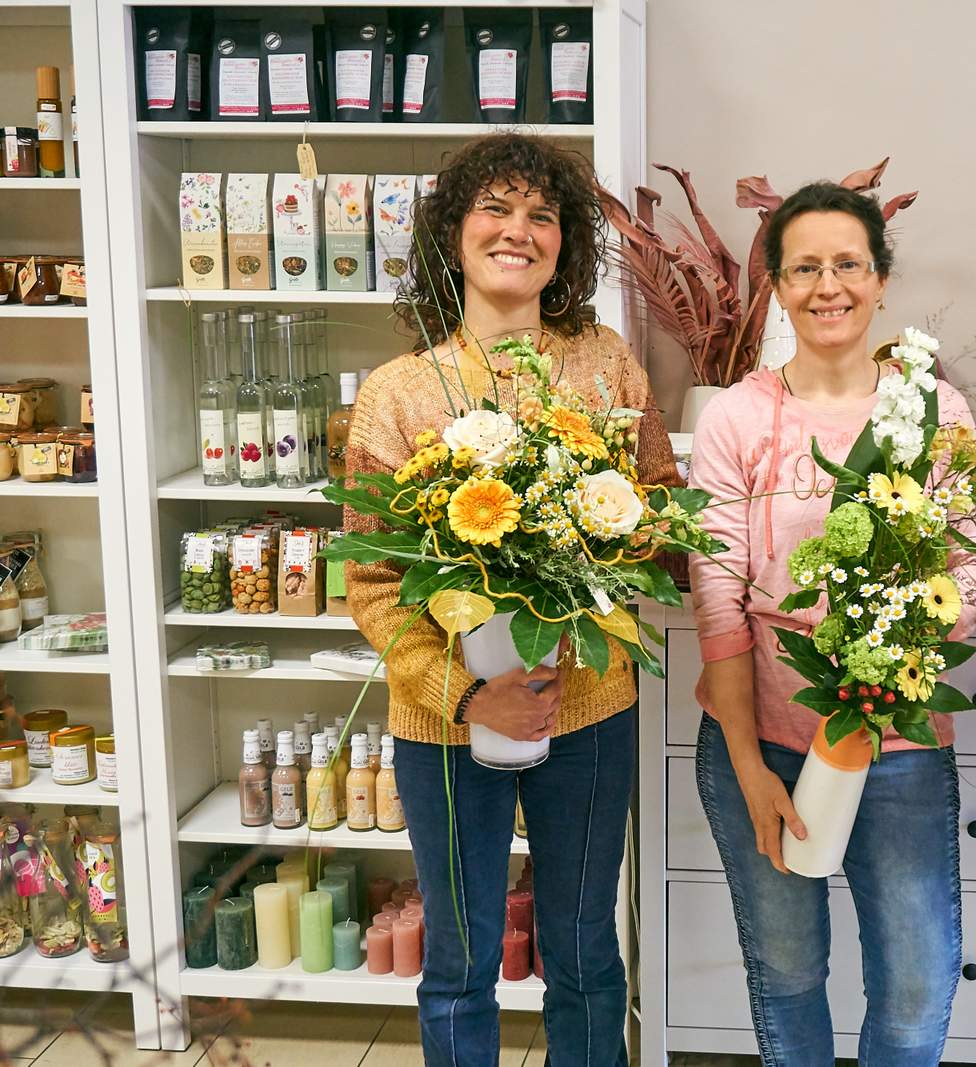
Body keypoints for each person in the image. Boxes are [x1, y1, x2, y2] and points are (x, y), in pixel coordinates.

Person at [343, 132, 677, 1067]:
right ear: (453, 231)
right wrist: (464, 693)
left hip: (590, 707)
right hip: (445, 724)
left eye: (542, 214)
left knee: (584, 950)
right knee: (459, 959)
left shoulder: (605, 364)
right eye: (495, 208)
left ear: (564, 243)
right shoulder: (396, 393)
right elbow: (372, 581)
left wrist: (599, 534)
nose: (517, 230)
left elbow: (655, 505)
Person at [686, 181, 976, 1067]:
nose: (829, 286)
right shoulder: (736, 416)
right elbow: (719, 601)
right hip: (766, 742)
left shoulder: (936, 412)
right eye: (805, 268)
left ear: (881, 280)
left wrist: (889, 668)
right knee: (787, 972)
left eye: (849, 264)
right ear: (778, 287)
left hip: (898, 749)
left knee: (916, 983)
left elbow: (975, 563)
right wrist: (750, 769)